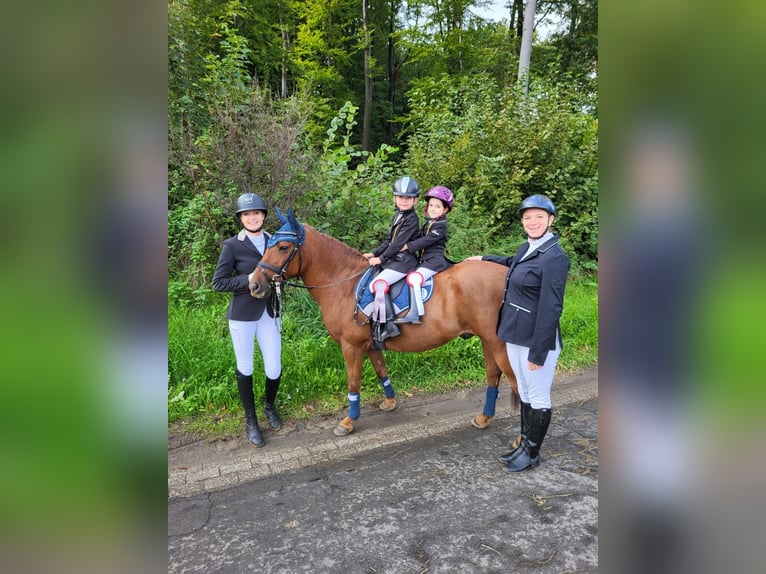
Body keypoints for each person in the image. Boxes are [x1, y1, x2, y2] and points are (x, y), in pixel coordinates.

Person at [465, 194, 570, 472]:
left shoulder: (555, 257)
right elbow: (513, 261)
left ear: (551, 220)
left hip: (537, 340)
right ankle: (524, 444)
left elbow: (551, 309)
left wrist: (539, 350)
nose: (532, 221)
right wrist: (484, 258)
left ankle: (533, 453)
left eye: (539, 216)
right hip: (513, 334)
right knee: (523, 391)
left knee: (538, 396)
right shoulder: (529, 248)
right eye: (527, 217)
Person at [212, 192, 283, 448]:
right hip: (243, 315)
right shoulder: (232, 245)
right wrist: (250, 278)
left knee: (274, 367)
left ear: (263, 215)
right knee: (246, 367)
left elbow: (282, 269)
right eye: (246, 214)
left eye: (256, 213)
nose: (252, 217)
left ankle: (269, 406)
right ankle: (251, 420)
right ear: (240, 218)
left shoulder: (275, 241)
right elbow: (218, 283)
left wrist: (279, 279)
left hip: (270, 312)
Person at [362, 176, 421, 344]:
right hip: (394, 260)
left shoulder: (411, 219)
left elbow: (397, 245)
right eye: (401, 197)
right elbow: (389, 240)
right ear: (394, 198)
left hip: (403, 263)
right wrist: (374, 254)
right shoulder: (398, 215)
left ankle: (388, 325)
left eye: (408, 198)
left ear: (415, 200)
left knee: (377, 284)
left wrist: (381, 259)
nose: (404, 201)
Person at [395, 185, 454, 324]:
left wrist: (407, 246)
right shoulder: (429, 223)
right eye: (431, 205)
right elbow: (418, 237)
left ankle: (415, 313)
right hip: (425, 261)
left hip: (434, 262)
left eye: (438, 206)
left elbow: (426, 240)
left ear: (445, 210)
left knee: (414, 279)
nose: (433, 209)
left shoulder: (440, 225)